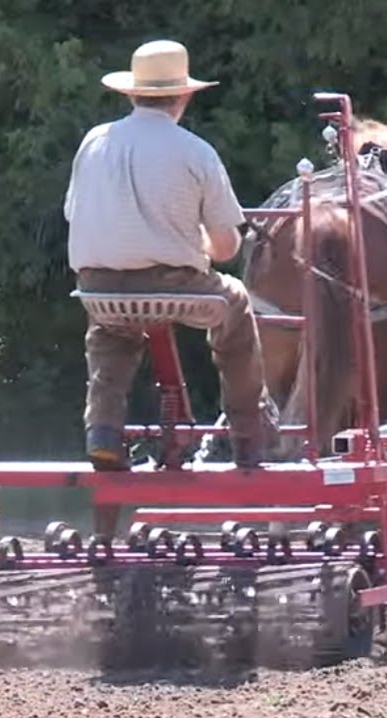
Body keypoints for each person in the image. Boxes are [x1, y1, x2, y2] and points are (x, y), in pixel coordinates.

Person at [63, 39, 279, 470]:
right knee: (235, 304)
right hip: (172, 286)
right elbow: (226, 247)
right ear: (183, 98)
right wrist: (193, 241)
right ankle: (249, 435)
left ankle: (102, 432)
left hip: (97, 288)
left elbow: (74, 213)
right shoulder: (195, 151)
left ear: (131, 94)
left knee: (110, 333)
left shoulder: (94, 141)